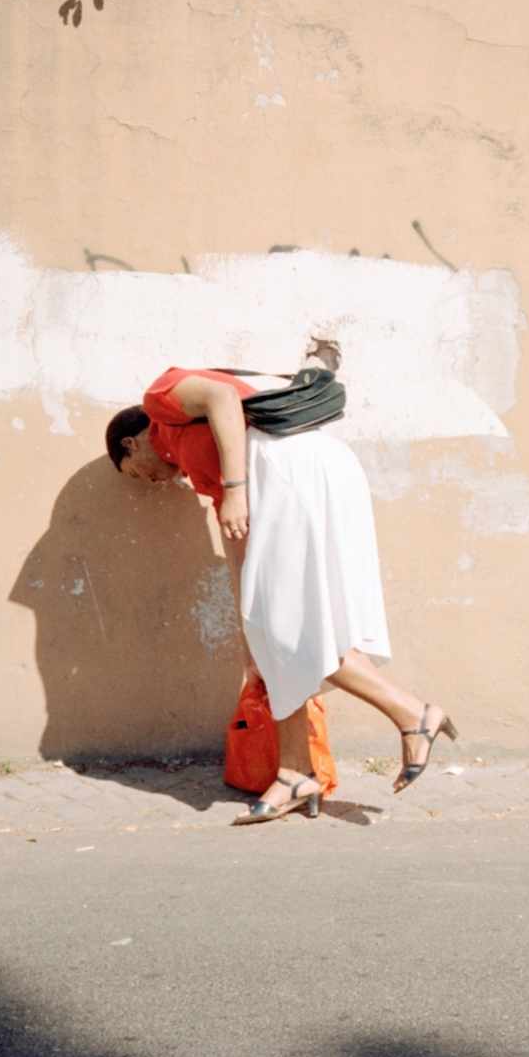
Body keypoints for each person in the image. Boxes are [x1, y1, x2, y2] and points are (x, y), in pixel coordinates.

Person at [104, 343, 456, 825]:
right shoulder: (198, 459)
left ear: (130, 445)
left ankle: (411, 713)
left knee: (293, 630)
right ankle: (295, 774)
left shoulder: (160, 396)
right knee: (276, 632)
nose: (152, 481)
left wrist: (234, 490)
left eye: (137, 474)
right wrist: (250, 634)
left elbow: (224, 399)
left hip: (290, 470)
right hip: (296, 478)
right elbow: (238, 545)